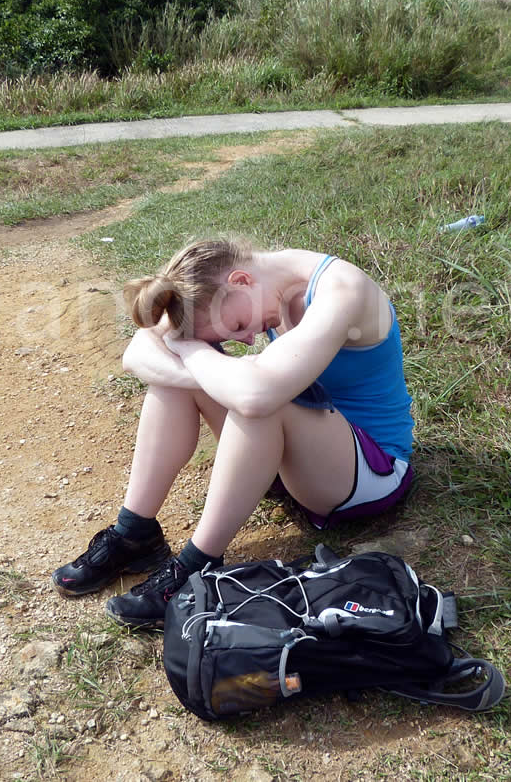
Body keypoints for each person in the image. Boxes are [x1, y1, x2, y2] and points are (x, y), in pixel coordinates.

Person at [51, 237, 414, 627]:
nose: (244, 340)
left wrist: (187, 348)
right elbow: (137, 353)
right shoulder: (233, 286)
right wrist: (192, 365)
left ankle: (198, 565)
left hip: (367, 474)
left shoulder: (342, 289)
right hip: (296, 461)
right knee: (179, 382)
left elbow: (257, 397)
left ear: (240, 280)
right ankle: (134, 533)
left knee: (259, 398)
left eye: (238, 325)